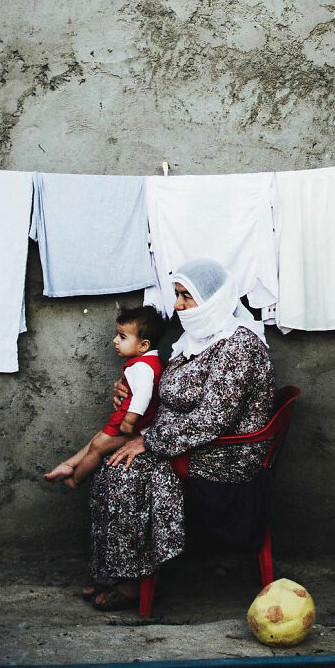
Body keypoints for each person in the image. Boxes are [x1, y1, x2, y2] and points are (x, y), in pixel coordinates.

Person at [84, 258, 275, 611]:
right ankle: (119, 573)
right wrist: (128, 390)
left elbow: (209, 420)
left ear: (213, 299)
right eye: (176, 295)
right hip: (187, 443)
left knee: (124, 471)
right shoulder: (195, 341)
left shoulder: (238, 347)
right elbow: (172, 394)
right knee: (113, 464)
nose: (178, 306)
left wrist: (149, 441)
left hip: (221, 458)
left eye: (186, 296)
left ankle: (132, 583)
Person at [43, 306, 165, 488]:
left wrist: (130, 420)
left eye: (122, 337)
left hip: (131, 423)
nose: (115, 341)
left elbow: (143, 395)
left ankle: (75, 479)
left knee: (97, 449)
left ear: (143, 345)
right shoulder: (152, 362)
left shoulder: (142, 366)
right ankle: (69, 464)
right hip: (138, 423)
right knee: (98, 440)